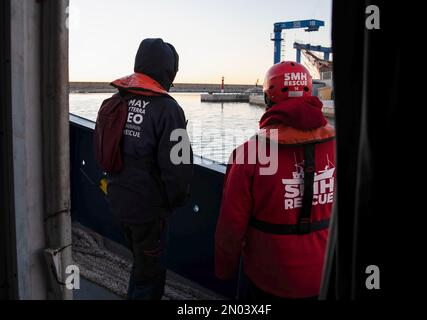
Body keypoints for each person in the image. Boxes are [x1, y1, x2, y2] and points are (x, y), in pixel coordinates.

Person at [215, 61, 336, 300]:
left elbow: (231, 225)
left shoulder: (249, 154)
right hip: (324, 276)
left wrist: (224, 270)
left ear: (268, 99)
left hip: (266, 281)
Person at [106, 38, 193, 300]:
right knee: (149, 278)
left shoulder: (115, 101)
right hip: (148, 212)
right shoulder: (168, 109)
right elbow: (178, 168)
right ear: (168, 71)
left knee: (141, 263)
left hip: (118, 201)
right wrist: (175, 201)